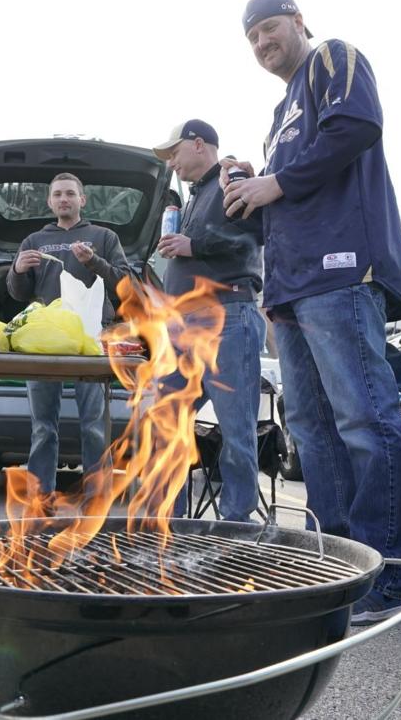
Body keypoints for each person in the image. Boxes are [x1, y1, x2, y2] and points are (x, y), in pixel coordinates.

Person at [221, 0, 401, 624]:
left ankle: (389, 577)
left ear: (300, 22)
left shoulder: (334, 58)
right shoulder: (281, 111)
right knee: (310, 430)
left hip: (340, 271)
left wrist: (274, 181)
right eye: (251, 36)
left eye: (270, 28)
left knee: (364, 418)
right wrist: (255, 186)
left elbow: (357, 126)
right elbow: (291, 185)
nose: (261, 43)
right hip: (289, 284)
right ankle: (337, 565)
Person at [151, 119, 266, 523]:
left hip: (227, 318)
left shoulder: (231, 178)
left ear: (199, 144)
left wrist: (193, 243)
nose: (171, 165)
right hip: (183, 326)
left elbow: (254, 233)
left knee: (236, 430)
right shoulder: (194, 198)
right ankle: (172, 526)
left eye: (174, 153)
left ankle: (237, 528)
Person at [6, 173, 131, 497]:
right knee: (43, 427)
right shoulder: (34, 241)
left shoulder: (102, 236)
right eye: (58, 194)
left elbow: (124, 284)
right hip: (44, 341)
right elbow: (18, 293)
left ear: (82, 200)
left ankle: (97, 496)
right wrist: (17, 269)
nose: (64, 199)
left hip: (91, 339)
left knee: (94, 426)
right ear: (49, 201)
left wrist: (94, 262)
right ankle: (40, 497)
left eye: (70, 194)